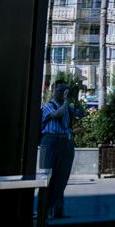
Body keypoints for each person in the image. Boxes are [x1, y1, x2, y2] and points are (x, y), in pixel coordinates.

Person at [39, 81, 82, 218]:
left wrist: (75, 99)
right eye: (60, 90)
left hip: (66, 141)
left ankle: (57, 210)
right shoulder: (47, 106)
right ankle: (44, 210)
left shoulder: (68, 107)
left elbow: (82, 113)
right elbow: (57, 114)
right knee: (47, 176)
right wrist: (66, 101)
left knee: (62, 177)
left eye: (65, 90)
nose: (63, 93)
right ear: (53, 91)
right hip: (50, 141)